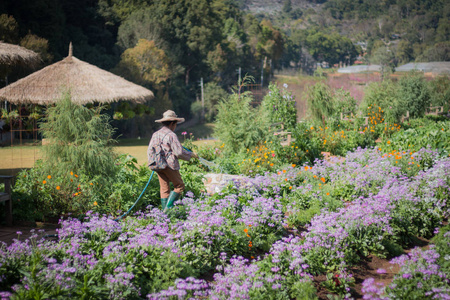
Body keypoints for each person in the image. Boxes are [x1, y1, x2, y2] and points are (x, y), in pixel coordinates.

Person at [147, 110, 198, 211]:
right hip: (169, 164)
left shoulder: (155, 134)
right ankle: (167, 212)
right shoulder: (171, 135)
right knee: (179, 186)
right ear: (171, 123)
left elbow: (149, 150)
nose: (175, 126)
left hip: (157, 165)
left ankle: (163, 215)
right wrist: (191, 154)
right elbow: (179, 152)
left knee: (164, 189)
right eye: (175, 124)